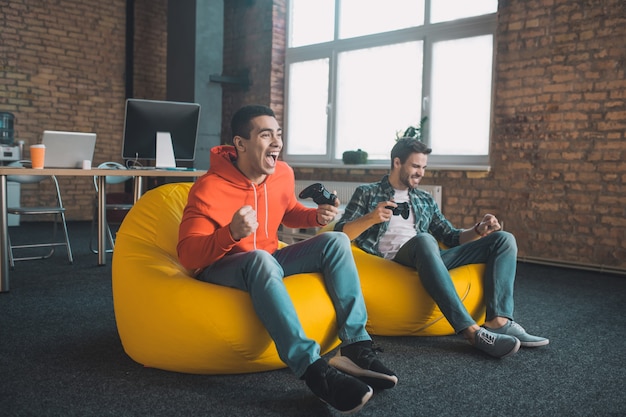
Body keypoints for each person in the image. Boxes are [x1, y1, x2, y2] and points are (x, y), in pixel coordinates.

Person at [177, 105, 397, 414]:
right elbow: (188, 255)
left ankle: (356, 347)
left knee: (335, 240)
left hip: (268, 257)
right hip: (223, 266)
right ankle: (314, 371)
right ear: (240, 144)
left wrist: (315, 215)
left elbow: (288, 210)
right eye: (266, 135)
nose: (277, 142)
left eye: (278, 134)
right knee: (259, 260)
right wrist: (230, 233)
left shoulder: (281, 173)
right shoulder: (209, 188)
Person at [334, 138, 549, 359]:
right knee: (425, 240)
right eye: (415, 166)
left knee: (503, 239)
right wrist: (371, 218)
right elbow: (340, 235)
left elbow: (451, 236)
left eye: (424, 167)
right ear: (397, 163)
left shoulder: (425, 199)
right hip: (394, 262)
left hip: (430, 258)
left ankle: (499, 322)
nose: (421, 173)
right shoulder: (367, 193)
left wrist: (479, 229)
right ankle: (471, 332)